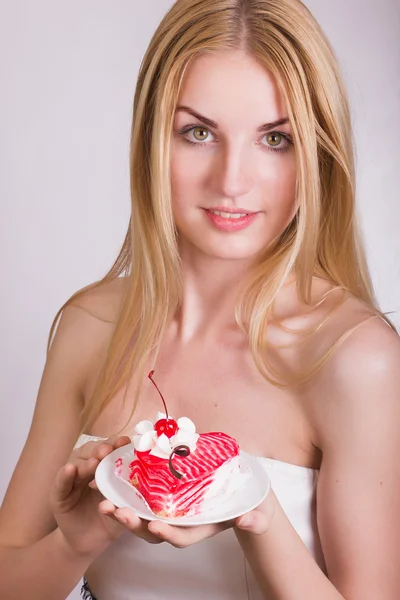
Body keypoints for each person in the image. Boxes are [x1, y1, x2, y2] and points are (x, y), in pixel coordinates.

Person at [1, 0, 399, 598]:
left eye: (274, 138)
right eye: (198, 132)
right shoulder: (89, 327)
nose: (231, 180)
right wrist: (76, 540)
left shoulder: (354, 358)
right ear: (149, 142)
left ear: (317, 154)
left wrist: (256, 516)